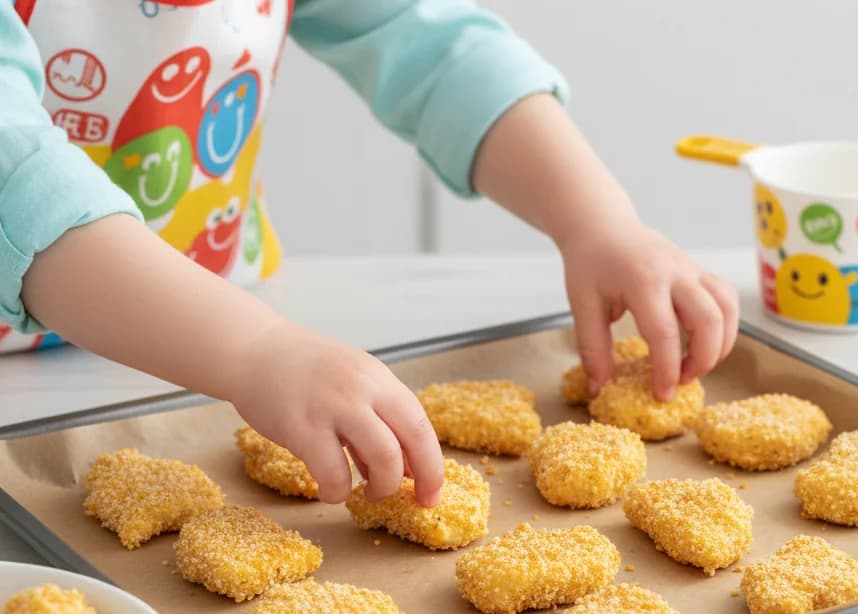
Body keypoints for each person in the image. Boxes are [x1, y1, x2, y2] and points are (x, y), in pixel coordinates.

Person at [0, 0, 738, 507]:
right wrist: (253, 351)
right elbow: (14, 175)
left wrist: (597, 220)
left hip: (204, 332)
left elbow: (426, 42)